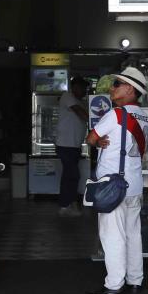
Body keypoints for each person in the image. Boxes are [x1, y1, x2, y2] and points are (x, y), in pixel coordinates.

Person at [85, 67, 148, 294]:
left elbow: (91, 138)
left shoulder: (116, 114)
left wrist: (98, 140)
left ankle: (114, 284)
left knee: (112, 236)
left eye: (117, 84)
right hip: (134, 185)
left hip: (113, 187)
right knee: (133, 234)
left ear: (129, 89)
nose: (112, 88)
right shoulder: (143, 117)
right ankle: (135, 281)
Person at [55, 76, 89, 217]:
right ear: (75, 87)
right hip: (65, 144)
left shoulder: (81, 101)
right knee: (72, 174)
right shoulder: (67, 97)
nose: (85, 91)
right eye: (83, 88)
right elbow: (81, 113)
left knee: (70, 175)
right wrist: (93, 119)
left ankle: (67, 204)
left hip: (74, 145)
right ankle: (66, 205)